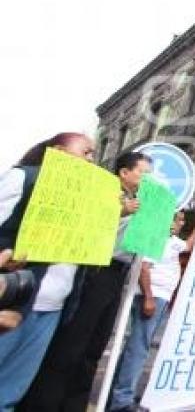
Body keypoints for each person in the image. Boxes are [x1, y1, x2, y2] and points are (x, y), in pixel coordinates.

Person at [20, 150, 152, 412]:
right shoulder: (102, 193)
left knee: (95, 346)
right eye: (144, 173)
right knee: (72, 344)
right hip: (95, 272)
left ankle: (74, 404)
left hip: (119, 276)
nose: (149, 179)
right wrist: (120, 211)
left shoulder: (142, 202)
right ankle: (44, 403)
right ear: (124, 173)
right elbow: (84, 227)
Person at [0, 133, 95, 409]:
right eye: (86, 152)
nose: (92, 160)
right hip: (13, 300)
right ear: (58, 151)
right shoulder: (23, 178)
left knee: (11, 393)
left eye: (93, 154)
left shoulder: (86, 201)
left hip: (52, 309)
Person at [109, 210, 195, 412]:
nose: (181, 223)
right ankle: (121, 401)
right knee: (138, 348)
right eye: (178, 220)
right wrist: (149, 297)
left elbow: (189, 244)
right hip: (152, 296)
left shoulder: (171, 240)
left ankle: (119, 395)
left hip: (161, 297)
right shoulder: (156, 238)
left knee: (135, 347)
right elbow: (144, 268)